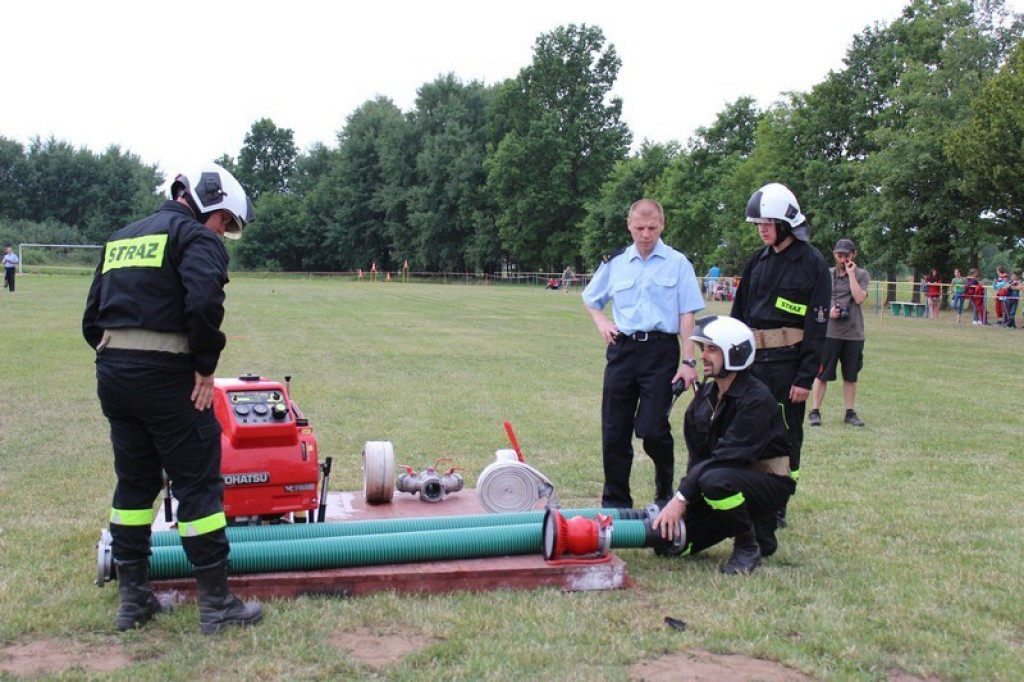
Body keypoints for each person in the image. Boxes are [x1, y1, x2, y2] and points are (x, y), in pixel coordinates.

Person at [82, 163, 262, 635]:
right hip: (168, 380)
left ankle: (134, 600)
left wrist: (121, 360)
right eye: (224, 221)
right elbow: (203, 304)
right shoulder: (195, 239)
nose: (223, 232)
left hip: (114, 376)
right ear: (206, 200)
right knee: (197, 487)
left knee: (135, 487)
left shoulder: (123, 237)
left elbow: (90, 320)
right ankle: (217, 605)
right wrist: (204, 365)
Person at [582, 198, 704, 509]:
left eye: (651, 228)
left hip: (660, 352)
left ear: (662, 226)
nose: (645, 234)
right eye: (639, 228)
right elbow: (591, 298)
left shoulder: (678, 263)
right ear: (629, 225)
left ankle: (665, 492)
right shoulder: (616, 262)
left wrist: (689, 361)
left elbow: (687, 313)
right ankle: (616, 501)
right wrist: (601, 322)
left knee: (652, 430)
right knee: (614, 429)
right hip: (622, 351)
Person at [652, 315, 796, 574]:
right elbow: (698, 459)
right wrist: (686, 504)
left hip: (768, 482)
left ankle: (748, 546)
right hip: (722, 478)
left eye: (712, 349)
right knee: (669, 543)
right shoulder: (704, 398)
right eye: (703, 349)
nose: (704, 356)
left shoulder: (757, 400)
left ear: (736, 353)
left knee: (715, 481)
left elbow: (726, 458)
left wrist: (681, 498)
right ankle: (756, 526)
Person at [730, 182, 830, 527]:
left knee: (785, 436)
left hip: (788, 368)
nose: (762, 230)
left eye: (767, 223)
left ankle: (778, 503)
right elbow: (738, 315)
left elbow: (817, 327)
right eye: (758, 224)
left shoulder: (812, 263)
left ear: (787, 222)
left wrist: (806, 378)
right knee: (746, 430)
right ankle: (750, 498)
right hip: (753, 365)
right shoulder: (756, 262)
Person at [808, 239, 869, 428]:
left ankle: (850, 413)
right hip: (830, 333)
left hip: (853, 333)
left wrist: (851, 274)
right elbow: (815, 301)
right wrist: (829, 312)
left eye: (847, 255)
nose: (843, 259)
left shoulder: (861, 274)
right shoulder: (826, 275)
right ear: (834, 254)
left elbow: (859, 298)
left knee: (851, 375)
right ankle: (815, 411)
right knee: (822, 374)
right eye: (839, 255)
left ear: (854, 254)